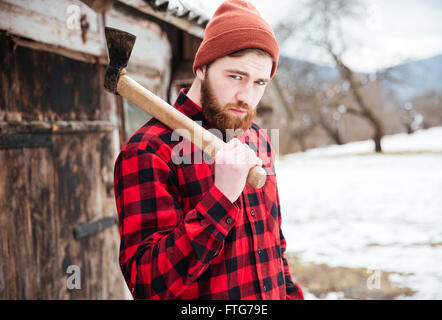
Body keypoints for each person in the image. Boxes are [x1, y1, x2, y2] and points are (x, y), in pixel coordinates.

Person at [114, 0, 304, 300]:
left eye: (259, 82)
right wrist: (221, 197)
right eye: (236, 76)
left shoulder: (256, 139)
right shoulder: (148, 150)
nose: (247, 96)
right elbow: (147, 284)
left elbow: (274, 247)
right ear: (202, 67)